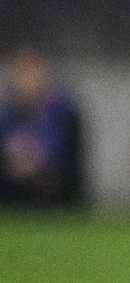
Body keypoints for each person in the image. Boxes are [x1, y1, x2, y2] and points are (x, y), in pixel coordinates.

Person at [1, 47, 85, 208]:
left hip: (52, 183)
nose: (27, 81)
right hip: (14, 180)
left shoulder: (62, 110)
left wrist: (35, 160)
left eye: (31, 74)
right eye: (22, 74)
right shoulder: (7, 112)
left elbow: (63, 153)